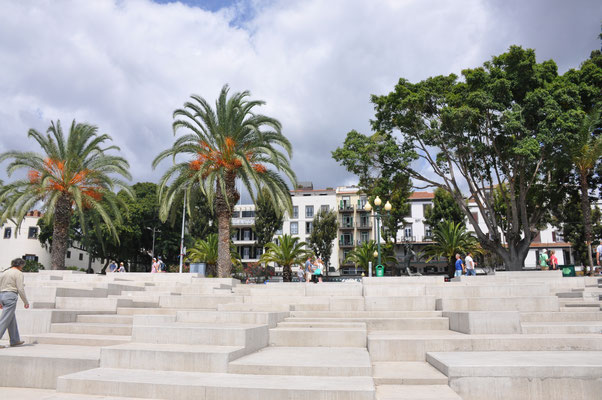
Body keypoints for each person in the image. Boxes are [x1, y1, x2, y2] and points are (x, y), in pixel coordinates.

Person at [0, 258, 29, 348]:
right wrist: (25, 301)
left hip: (2, 295)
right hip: (11, 296)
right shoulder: (18, 273)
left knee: (11, 319)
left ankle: (15, 340)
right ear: (20, 265)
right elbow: (20, 288)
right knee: (4, 320)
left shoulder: (5, 272)